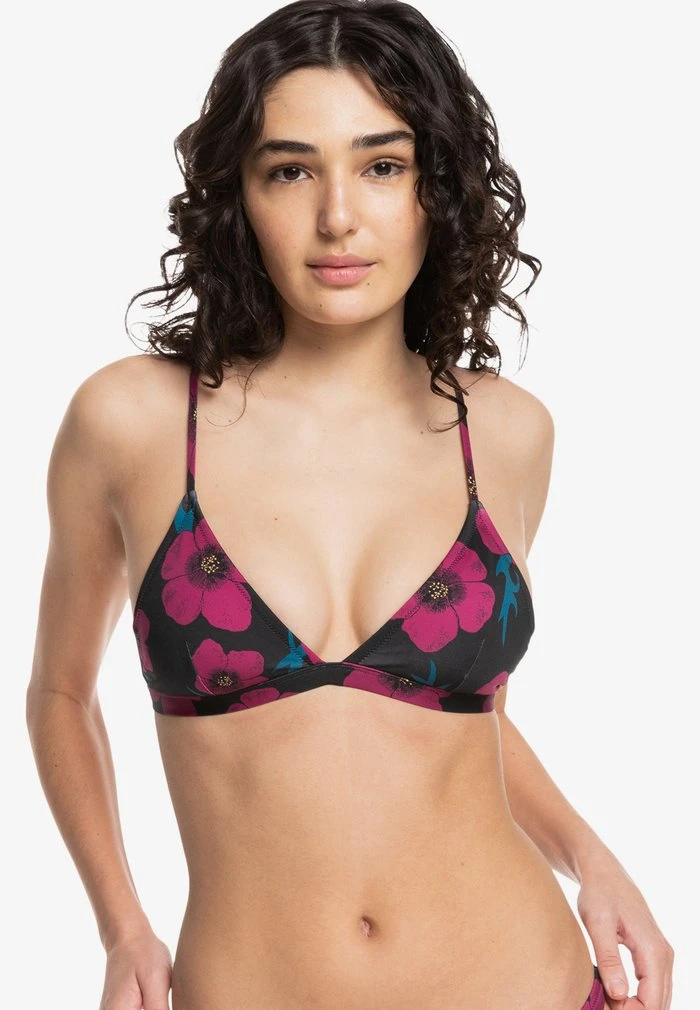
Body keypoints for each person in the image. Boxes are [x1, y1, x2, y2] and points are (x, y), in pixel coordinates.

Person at [26, 1, 674, 1008]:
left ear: (435, 187)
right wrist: (122, 928)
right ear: (238, 197)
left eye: (382, 165)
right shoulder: (133, 422)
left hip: (526, 981)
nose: (338, 216)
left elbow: (458, 725)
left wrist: (591, 856)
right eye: (291, 171)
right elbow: (60, 694)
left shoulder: (505, 432)